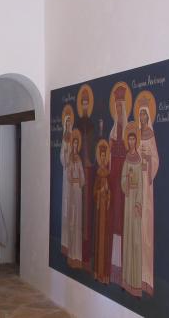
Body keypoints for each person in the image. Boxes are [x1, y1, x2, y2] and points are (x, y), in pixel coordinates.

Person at [134, 91, 159, 296]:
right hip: (136, 185)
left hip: (146, 184)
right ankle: (135, 274)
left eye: (144, 115)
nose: (142, 118)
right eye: (140, 115)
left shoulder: (150, 135)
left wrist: (148, 160)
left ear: (147, 116)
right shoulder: (134, 133)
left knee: (145, 230)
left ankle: (146, 277)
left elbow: (157, 160)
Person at [108, 82, 129, 285]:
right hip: (114, 181)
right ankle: (113, 263)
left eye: (122, 107)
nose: (120, 111)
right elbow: (107, 157)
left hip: (126, 184)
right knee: (114, 219)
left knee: (123, 222)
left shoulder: (130, 133)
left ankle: (124, 266)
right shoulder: (114, 132)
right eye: (117, 107)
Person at [121, 122, 143, 297]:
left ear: (136, 142)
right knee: (127, 239)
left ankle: (136, 282)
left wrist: (138, 203)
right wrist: (126, 180)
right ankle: (126, 280)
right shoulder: (127, 158)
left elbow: (142, 184)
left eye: (133, 140)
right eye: (129, 140)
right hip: (128, 200)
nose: (131, 143)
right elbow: (122, 182)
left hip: (135, 204)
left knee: (135, 241)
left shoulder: (139, 159)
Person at [76, 85, 95, 270]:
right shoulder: (77, 125)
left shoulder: (91, 125)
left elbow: (94, 146)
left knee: (88, 212)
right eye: (82, 102)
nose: (84, 105)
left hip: (88, 170)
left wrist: (89, 159)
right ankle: (78, 251)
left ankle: (87, 253)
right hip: (79, 170)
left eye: (87, 102)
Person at [93, 140, 111, 283]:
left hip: (106, 212)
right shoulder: (99, 174)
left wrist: (108, 193)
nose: (104, 158)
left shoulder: (108, 174)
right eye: (102, 156)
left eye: (105, 156)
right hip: (100, 214)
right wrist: (100, 192)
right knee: (99, 239)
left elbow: (111, 191)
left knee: (106, 241)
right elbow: (94, 192)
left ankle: (104, 274)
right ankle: (97, 272)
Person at [66, 129, 85, 269]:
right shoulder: (70, 161)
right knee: (71, 222)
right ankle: (71, 254)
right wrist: (72, 177)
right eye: (73, 144)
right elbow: (68, 176)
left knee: (77, 221)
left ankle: (77, 256)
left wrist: (77, 178)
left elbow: (82, 179)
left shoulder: (79, 160)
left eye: (76, 144)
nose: (74, 146)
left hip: (77, 191)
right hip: (72, 191)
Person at [60, 104, 74, 256]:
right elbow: (62, 157)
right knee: (66, 206)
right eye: (67, 123)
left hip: (74, 174)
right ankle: (65, 243)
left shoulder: (74, 137)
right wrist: (65, 156)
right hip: (66, 174)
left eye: (70, 123)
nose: (69, 125)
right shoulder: (65, 139)